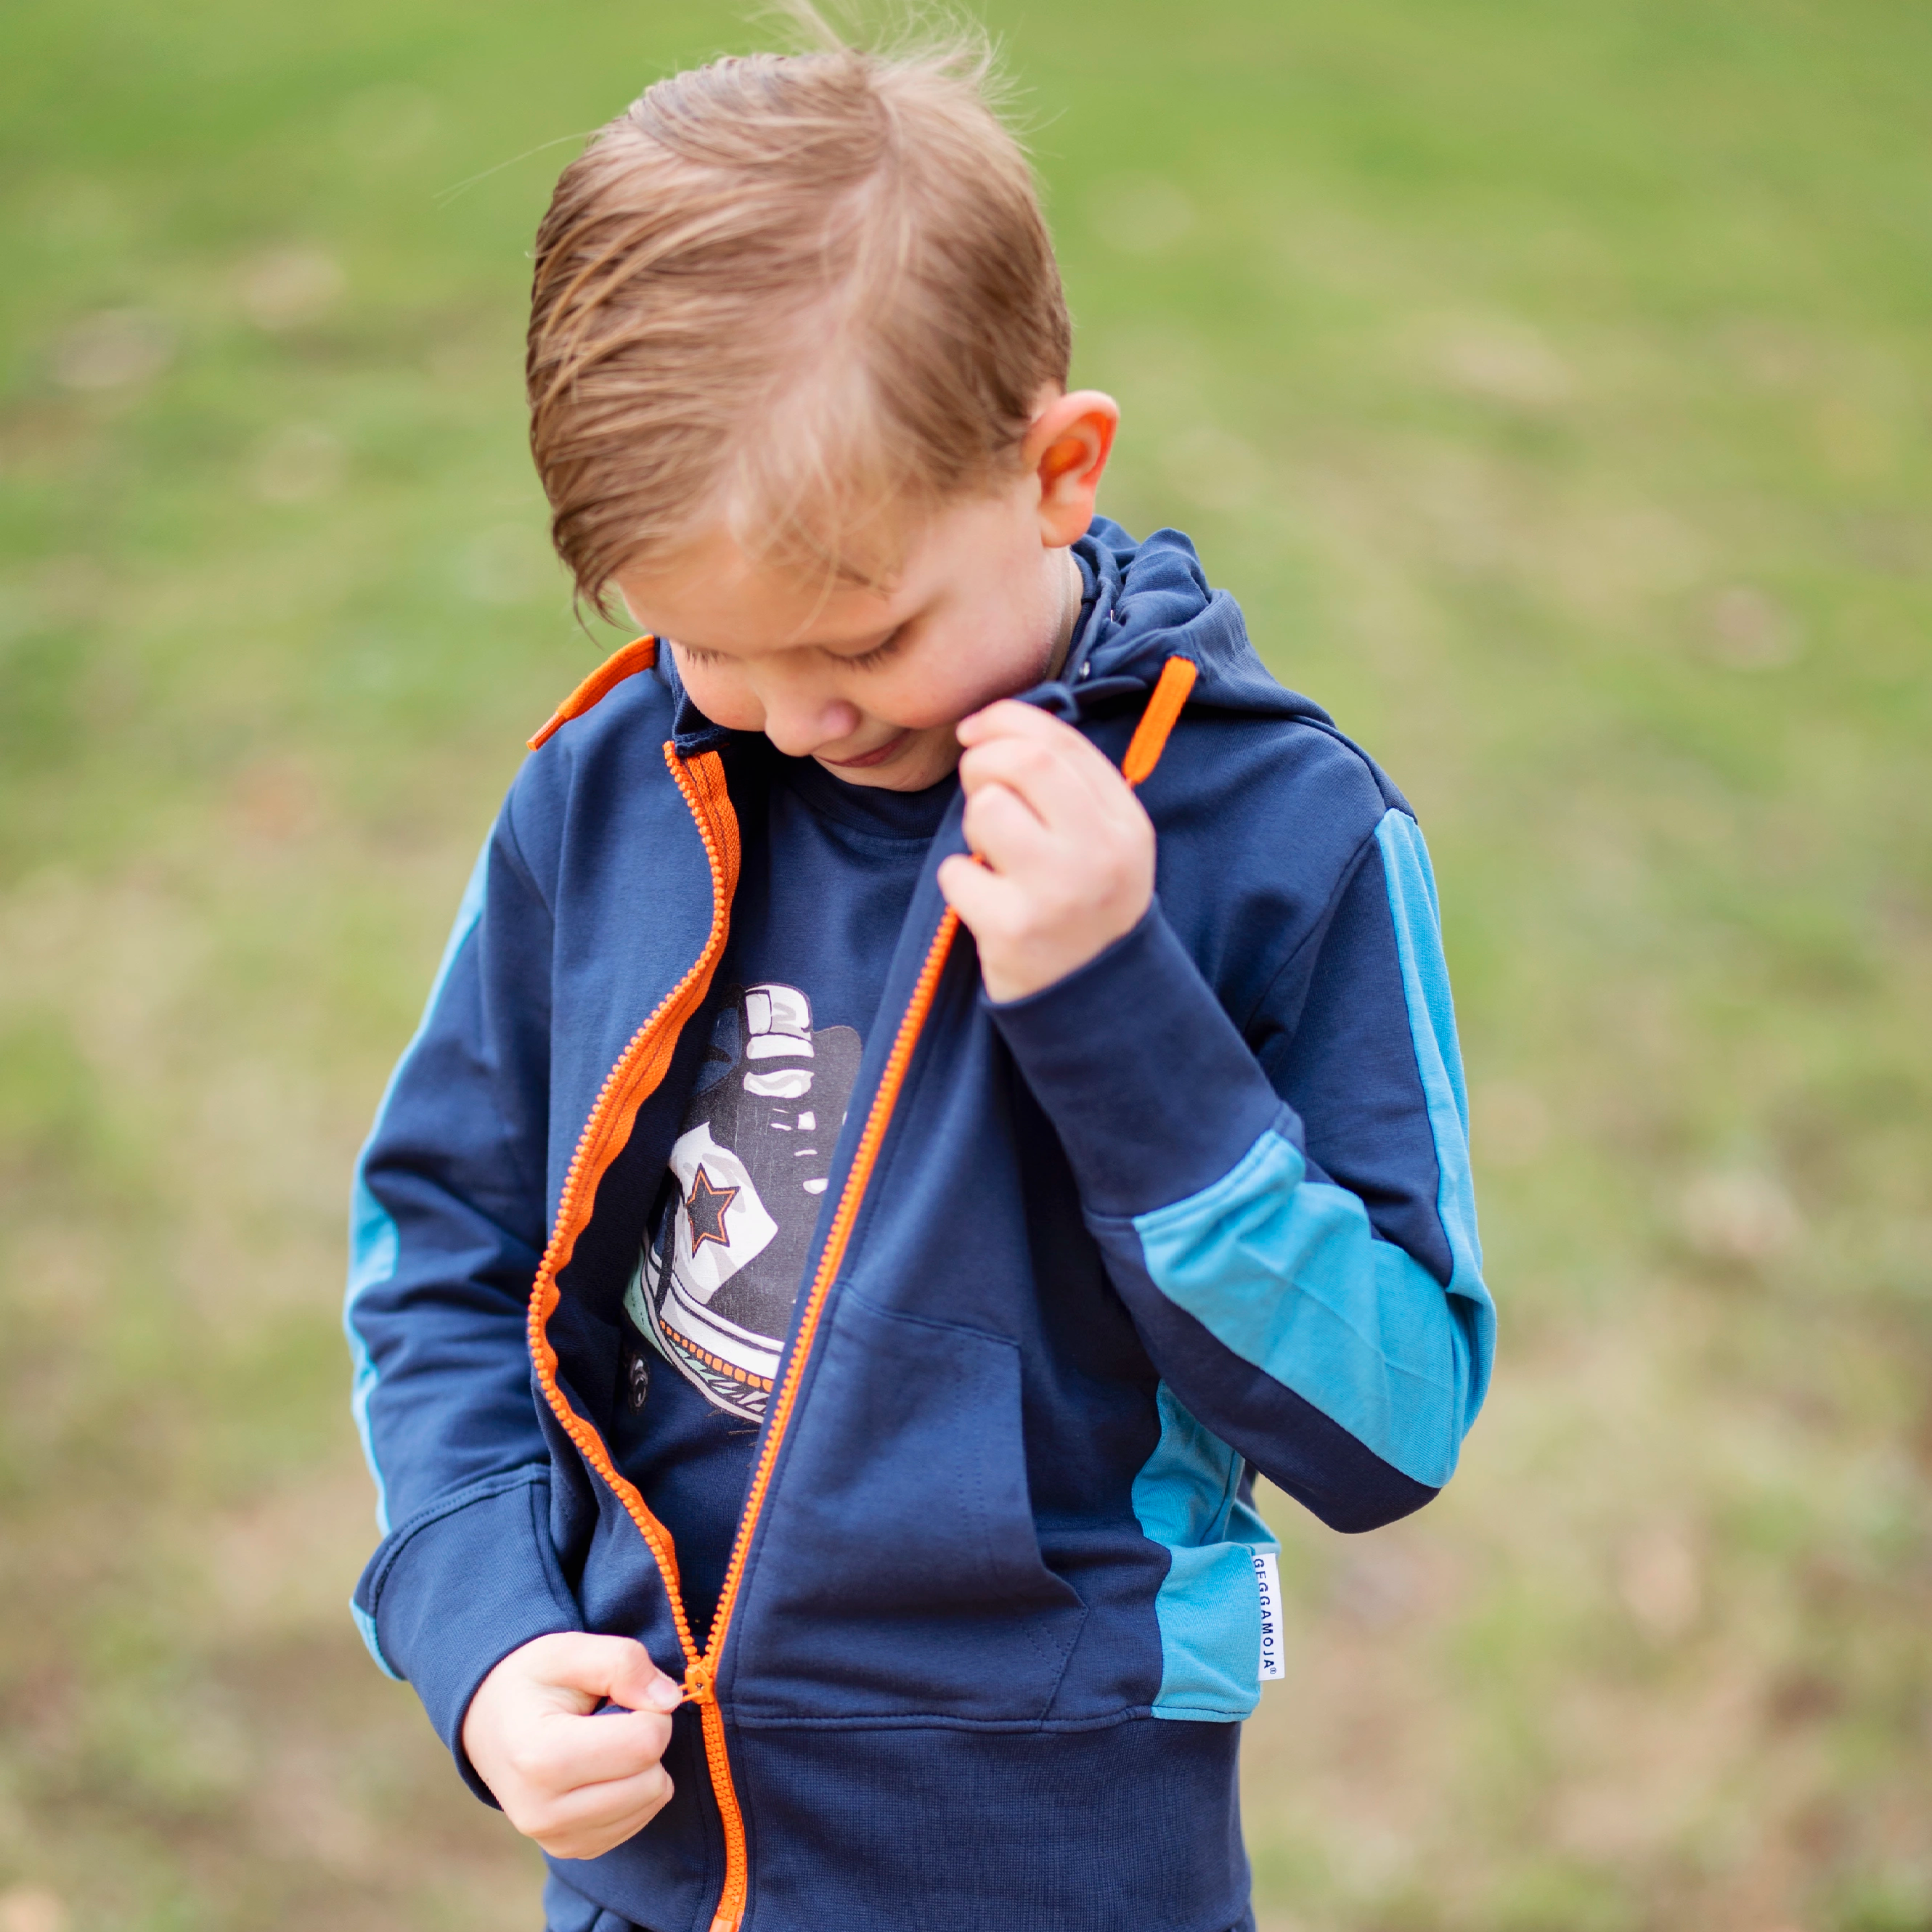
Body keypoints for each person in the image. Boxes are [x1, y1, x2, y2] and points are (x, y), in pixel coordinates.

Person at [344, 22, 1493, 1932]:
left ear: (1056, 468)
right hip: (656, 1853)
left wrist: (1116, 1006)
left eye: (862, 634)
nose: (793, 712)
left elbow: (1389, 1424)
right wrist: (478, 1625)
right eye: (712, 644)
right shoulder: (611, 780)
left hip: (1060, 1858)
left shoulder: (1276, 836)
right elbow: (443, 1236)